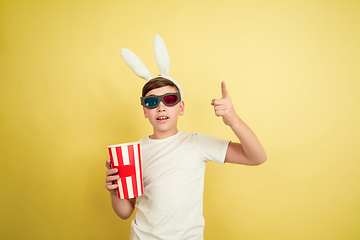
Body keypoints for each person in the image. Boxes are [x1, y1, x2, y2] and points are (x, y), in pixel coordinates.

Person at [105, 76, 267, 239]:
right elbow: (125, 212)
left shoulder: (197, 143)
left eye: (169, 100)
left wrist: (234, 120)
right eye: (152, 102)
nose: (161, 107)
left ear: (181, 107)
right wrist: (114, 193)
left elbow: (256, 157)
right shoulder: (134, 152)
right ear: (145, 111)